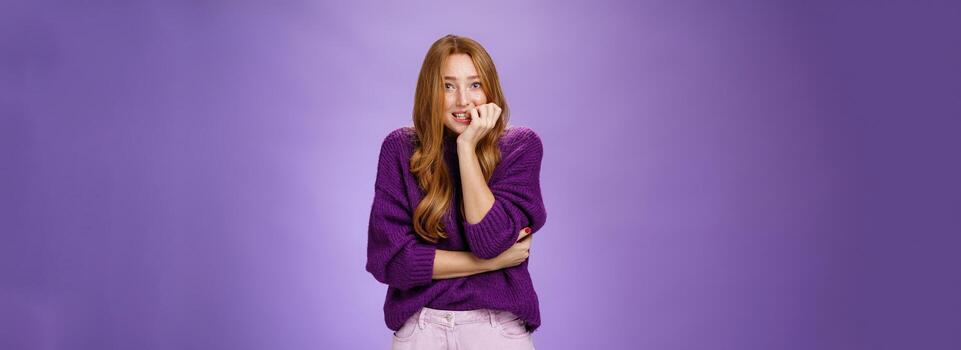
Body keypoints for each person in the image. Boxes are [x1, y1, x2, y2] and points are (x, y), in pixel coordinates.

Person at [366, 34, 547, 350]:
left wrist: (466, 148)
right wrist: (488, 264)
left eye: (475, 85)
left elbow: (489, 241)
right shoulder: (399, 148)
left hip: (496, 331)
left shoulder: (520, 147)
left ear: (490, 89)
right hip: (420, 331)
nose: (463, 100)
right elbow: (392, 261)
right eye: (448, 86)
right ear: (430, 94)